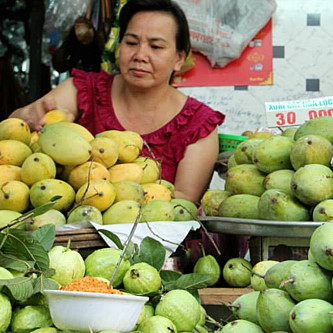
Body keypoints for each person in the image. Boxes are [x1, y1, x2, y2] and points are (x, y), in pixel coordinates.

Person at [10, 0, 225, 203]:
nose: (140, 55)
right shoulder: (83, 90)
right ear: (119, 46)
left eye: (156, 47)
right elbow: (14, 131)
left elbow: (183, 203)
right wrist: (29, 118)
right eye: (131, 42)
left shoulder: (198, 124)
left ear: (179, 58)